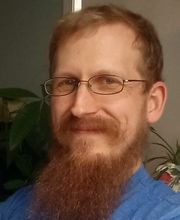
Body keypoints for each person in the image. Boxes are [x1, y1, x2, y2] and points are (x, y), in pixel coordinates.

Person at [0, 4, 180, 220]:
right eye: (66, 82)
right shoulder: (19, 206)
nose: (79, 108)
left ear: (153, 103)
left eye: (108, 81)